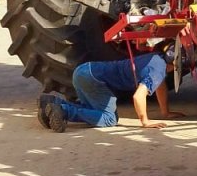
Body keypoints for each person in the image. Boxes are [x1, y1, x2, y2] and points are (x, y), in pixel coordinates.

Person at [38, 49, 175, 132]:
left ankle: (52, 103)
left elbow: (160, 85)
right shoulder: (158, 71)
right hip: (92, 79)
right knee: (109, 118)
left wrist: (165, 112)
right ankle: (63, 111)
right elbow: (138, 96)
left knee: (90, 109)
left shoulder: (157, 59)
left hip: (82, 70)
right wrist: (145, 121)